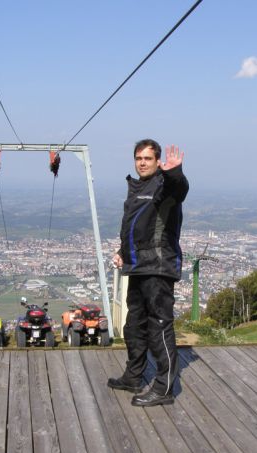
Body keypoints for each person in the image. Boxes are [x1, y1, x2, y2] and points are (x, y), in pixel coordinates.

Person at [107, 139, 189, 407]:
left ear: (157, 161)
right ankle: (134, 376)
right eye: (138, 158)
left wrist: (174, 172)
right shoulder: (137, 187)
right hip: (139, 267)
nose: (142, 162)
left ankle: (164, 388)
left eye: (148, 158)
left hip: (158, 268)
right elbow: (135, 227)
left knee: (160, 326)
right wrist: (123, 251)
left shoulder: (164, 186)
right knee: (134, 326)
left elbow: (179, 189)